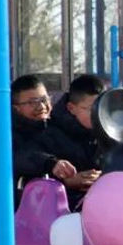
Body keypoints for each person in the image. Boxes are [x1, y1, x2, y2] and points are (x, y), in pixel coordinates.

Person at [39, 74, 107, 210]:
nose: (98, 114)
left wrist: (105, 176)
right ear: (71, 108)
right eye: (92, 109)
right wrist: (66, 182)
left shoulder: (112, 131)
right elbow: (36, 173)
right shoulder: (49, 133)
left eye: (103, 107)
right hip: (63, 209)